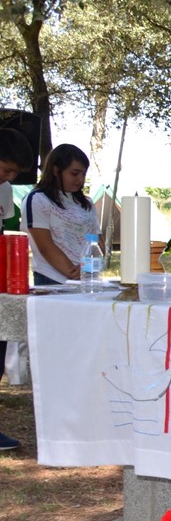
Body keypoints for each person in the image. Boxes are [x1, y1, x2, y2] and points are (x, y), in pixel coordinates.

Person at [23, 143, 98, 286]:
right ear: (56, 171)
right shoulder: (37, 199)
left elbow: (96, 242)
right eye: (74, 173)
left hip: (87, 279)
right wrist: (72, 271)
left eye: (83, 174)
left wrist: (88, 269)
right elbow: (45, 246)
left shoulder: (87, 203)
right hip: (52, 279)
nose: (80, 179)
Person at [0, 128, 32, 451]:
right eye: (5, 169)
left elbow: (8, 232)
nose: (8, 177)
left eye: (13, 173)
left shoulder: (5, 191)